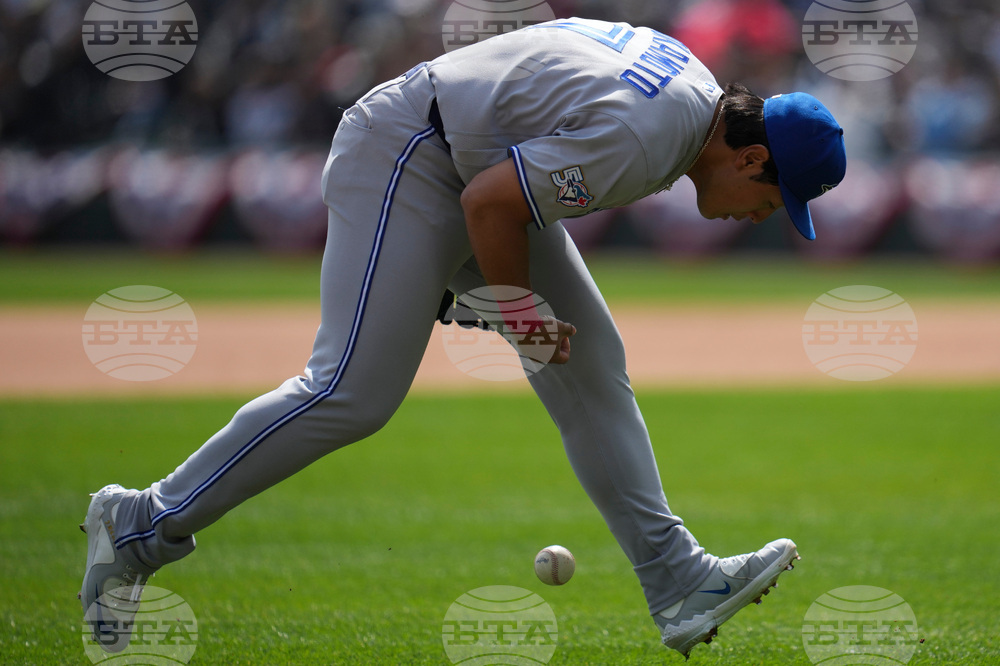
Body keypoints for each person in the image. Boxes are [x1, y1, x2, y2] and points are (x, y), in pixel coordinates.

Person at [79, 17, 846, 658]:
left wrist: (506, 306)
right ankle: (138, 524)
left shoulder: (694, 95)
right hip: (410, 154)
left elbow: (510, 170)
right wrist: (515, 312)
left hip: (469, 157)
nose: (763, 218)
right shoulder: (646, 140)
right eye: (774, 200)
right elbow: (491, 203)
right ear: (749, 156)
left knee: (589, 362)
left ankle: (677, 579)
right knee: (352, 391)